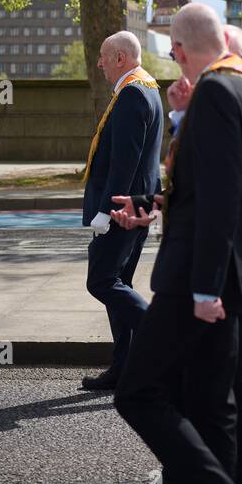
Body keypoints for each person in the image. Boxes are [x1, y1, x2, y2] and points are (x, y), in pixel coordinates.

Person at [113, 3, 242, 484]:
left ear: (178, 50)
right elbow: (221, 187)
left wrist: (206, 287)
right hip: (240, 268)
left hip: (199, 275)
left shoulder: (213, 91)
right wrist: (149, 208)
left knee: (140, 392)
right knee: (215, 399)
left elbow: (220, 199)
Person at [79, 32, 163, 392]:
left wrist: (106, 210)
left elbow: (124, 162)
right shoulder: (149, 88)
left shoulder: (132, 94)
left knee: (100, 281)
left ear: (120, 58)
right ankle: (124, 368)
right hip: (140, 203)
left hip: (123, 210)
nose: (98, 63)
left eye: (102, 56)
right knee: (120, 283)